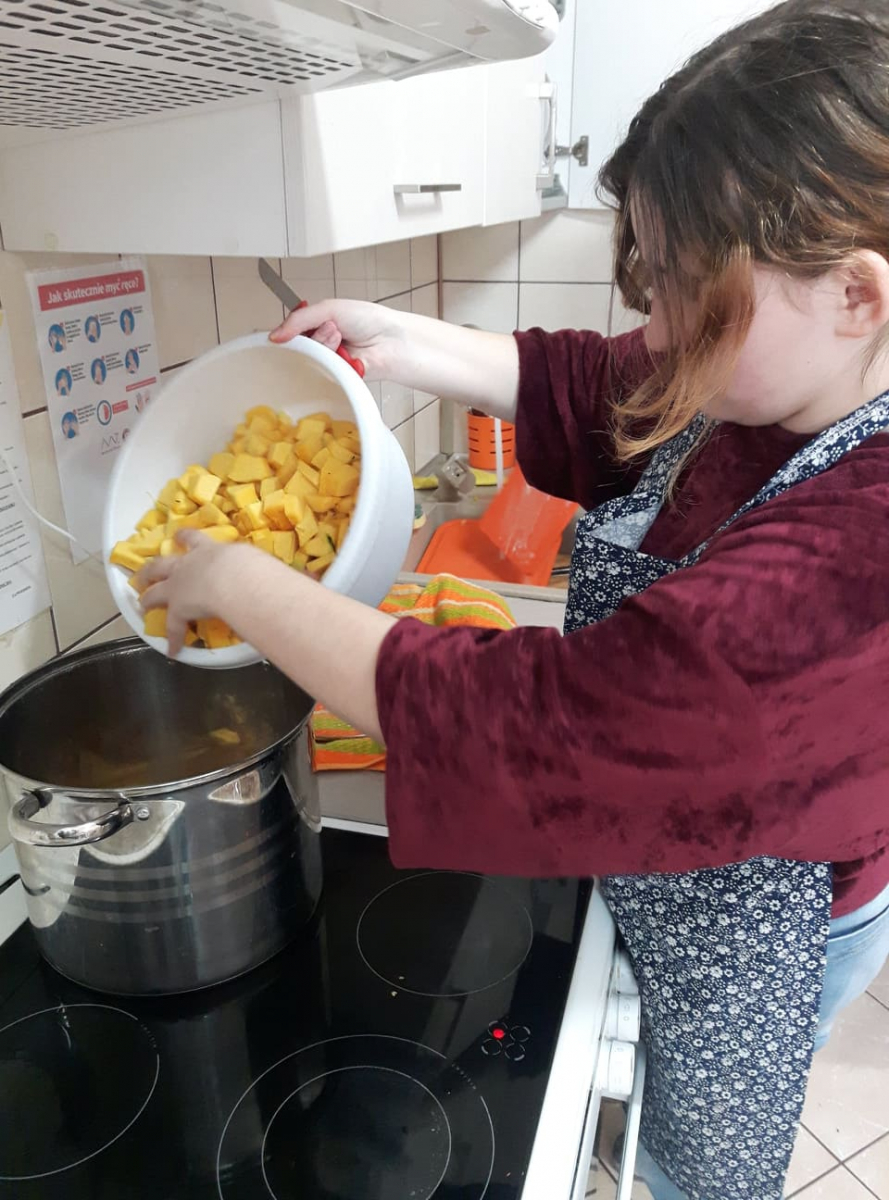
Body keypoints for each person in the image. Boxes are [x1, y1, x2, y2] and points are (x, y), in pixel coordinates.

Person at [136, 3, 889, 1197]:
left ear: (855, 294)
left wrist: (243, 583)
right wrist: (391, 339)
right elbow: (611, 386)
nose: (655, 327)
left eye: (688, 293)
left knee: (691, 1173)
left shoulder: (864, 543)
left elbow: (556, 722)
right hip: (664, 850)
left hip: (764, 917)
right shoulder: (791, 377)